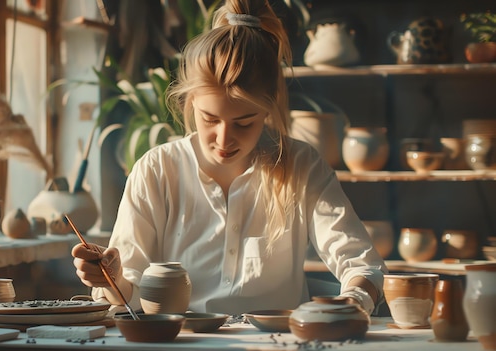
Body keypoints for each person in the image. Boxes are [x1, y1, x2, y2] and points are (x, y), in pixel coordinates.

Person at [71, 0, 388, 316]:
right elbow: (130, 291)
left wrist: (353, 301)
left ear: (267, 108)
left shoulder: (301, 165)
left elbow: (364, 265)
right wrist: (112, 279)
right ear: (191, 100)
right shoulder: (157, 170)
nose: (224, 140)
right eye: (210, 119)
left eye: (244, 122)